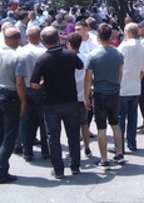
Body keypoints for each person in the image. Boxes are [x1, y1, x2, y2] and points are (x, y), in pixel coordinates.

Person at [31, 27, 83, 178]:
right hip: (71, 100)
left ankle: (58, 170)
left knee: (53, 138)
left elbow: (34, 84)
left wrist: (43, 84)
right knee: (73, 135)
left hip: (51, 103)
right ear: (59, 39)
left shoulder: (42, 59)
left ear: (42, 41)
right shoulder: (69, 55)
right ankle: (75, 166)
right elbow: (80, 65)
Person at [0, 26, 26, 184]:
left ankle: (1, 166)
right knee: (10, 135)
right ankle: (1, 170)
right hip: (10, 96)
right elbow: (19, 82)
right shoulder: (17, 56)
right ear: (16, 39)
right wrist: (23, 102)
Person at [84, 23, 125, 169]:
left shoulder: (93, 55)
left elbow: (88, 79)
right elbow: (120, 73)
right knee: (115, 123)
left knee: (101, 127)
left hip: (100, 94)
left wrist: (86, 96)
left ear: (99, 37)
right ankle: (120, 153)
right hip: (114, 92)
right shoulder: (118, 53)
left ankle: (104, 159)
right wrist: (116, 85)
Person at [14, 26, 49, 161]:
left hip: (26, 89)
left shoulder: (20, 52)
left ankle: (27, 151)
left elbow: (18, 77)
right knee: (44, 122)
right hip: (42, 89)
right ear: (39, 37)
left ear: (27, 37)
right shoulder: (45, 51)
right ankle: (46, 151)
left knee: (26, 121)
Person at [116, 22, 144, 152]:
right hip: (135, 86)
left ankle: (119, 144)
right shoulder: (142, 47)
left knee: (121, 117)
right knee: (133, 117)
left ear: (127, 32)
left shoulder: (124, 46)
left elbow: (117, 66)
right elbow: (143, 70)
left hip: (123, 87)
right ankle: (132, 143)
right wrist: (137, 80)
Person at [65, 33, 92, 157]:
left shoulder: (65, 58)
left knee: (71, 127)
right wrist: (87, 96)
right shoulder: (86, 58)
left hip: (69, 96)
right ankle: (87, 146)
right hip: (82, 95)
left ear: (68, 44)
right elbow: (88, 79)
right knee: (84, 124)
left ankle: (73, 150)